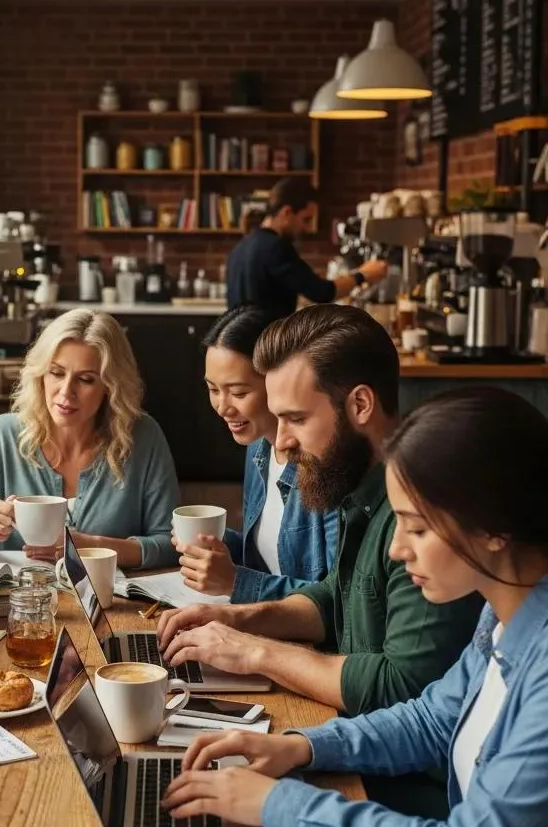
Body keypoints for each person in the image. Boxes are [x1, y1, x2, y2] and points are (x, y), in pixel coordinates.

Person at [162, 387, 548, 827]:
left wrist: (278, 805)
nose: (397, 548)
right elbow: (431, 719)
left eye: (416, 527)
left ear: (494, 528)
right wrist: (300, 746)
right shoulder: (504, 615)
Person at [157, 306, 482, 723]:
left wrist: (255, 651)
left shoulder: (421, 512)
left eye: (296, 418)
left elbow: (401, 687)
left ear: (361, 404)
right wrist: (235, 617)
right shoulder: (352, 481)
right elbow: (335, 598)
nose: (281, 443)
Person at [0, 308, 179, 570]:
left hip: (115, 605)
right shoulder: (1, 436)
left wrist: (90, 546)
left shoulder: (143, 437)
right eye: (56, 373)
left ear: (111, 387)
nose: (66, 392)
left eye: (85, 379)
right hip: (20, 604)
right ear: (40, 374)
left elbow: (170, 545)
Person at [176, 305, 338, 603]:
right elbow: (265, 554)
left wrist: (237, 581)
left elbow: (336, 602)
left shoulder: (322, 465)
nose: (222, 407)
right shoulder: (259, 448)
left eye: (238, 393)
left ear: (277, 384)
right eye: (213, 389)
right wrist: (211, 543)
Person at [226, 177, 387, 317]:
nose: (307, 228)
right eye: (306, 219)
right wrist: (363, 275)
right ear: (287, 212)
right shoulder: (276, 247)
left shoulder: (244, 245)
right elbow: (323, 293)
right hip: (263, 346)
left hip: (241, 344)